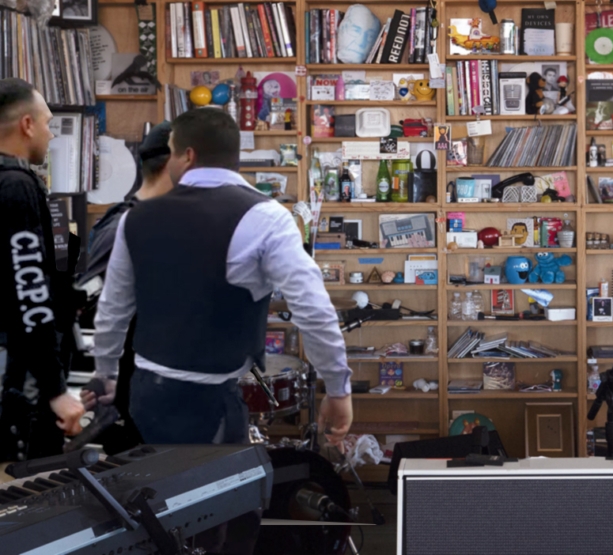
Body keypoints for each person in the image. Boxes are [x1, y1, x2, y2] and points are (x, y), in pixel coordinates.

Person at [86, 108, 353, 553]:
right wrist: (339, 389)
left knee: (149, 520)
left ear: (186, 155)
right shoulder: (266, 217)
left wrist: (105, 374)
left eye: (170, 154)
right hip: (210, 403)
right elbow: (314, 310)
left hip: (146, 397)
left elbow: (113, 309)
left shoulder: (137, 217)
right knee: (217, 527)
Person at [75, 122, 174, 454]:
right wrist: (107, 374)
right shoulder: (126, 225)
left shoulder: (149, 221)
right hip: (134, 395)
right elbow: (96, 306)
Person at [0, 78, 85, 464]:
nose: (52, 134)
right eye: (48, 123)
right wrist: (56, 390)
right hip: (15, 376)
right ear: (27, 125)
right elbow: (29, 291)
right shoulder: (16, 187)